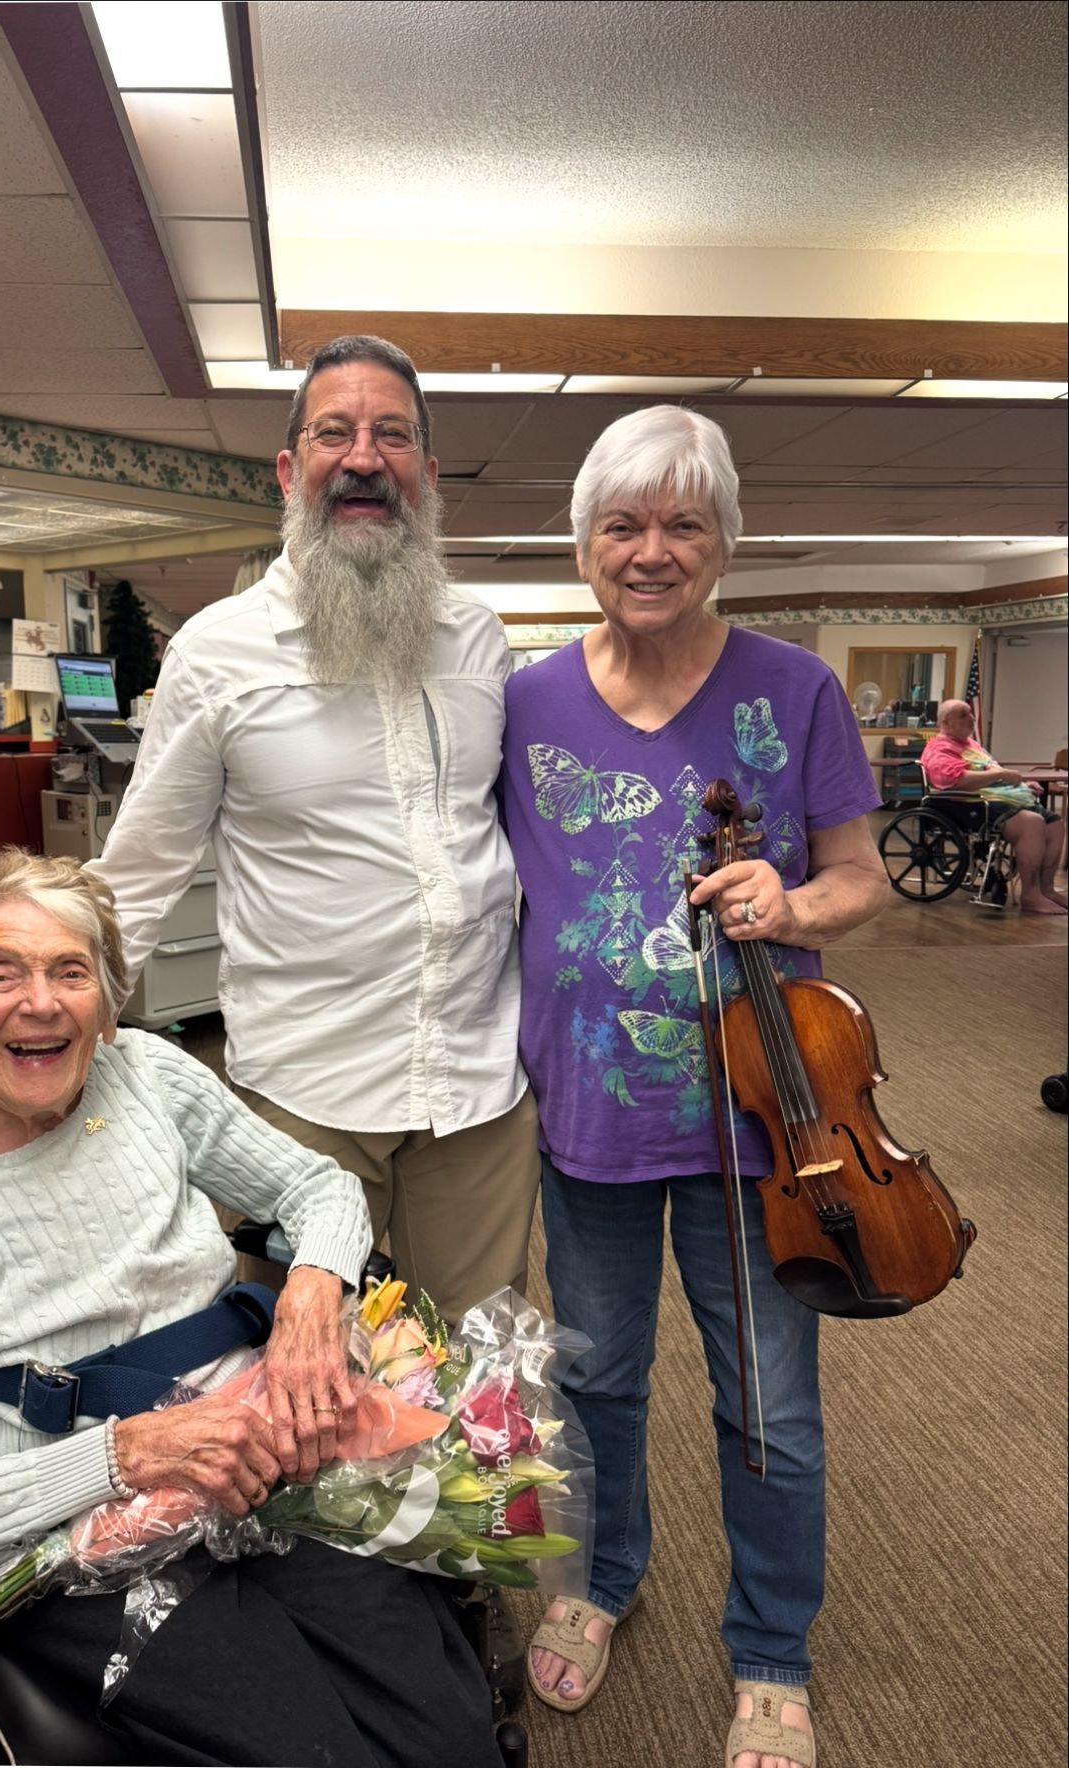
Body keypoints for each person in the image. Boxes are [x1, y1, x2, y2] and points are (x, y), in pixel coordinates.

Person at [0, 849, 503, 1767]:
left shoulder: (147, 1074)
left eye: (71, 972)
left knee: (453, 1736)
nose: (41, 1002)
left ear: (107, 1010)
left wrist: (311, 1296)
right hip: (73, 1540)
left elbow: (320, 1189)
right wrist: (128, 1454)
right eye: (3, 974)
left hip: (271, 1461)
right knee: (316, 1749)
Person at [499, 406, 891, 1768]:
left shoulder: (796, 690)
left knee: (766, 1399)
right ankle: (601, 1580)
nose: (651, 550)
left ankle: (771, 1649)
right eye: (624, 523)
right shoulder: (526, 700)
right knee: (595, 1379)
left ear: (725, 541)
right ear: (585, 541)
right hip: (588, 1118)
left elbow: (863, 877)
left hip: (765, 1125)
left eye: (682, 524)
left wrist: (794, 897)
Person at [88, 334, 540, 1323]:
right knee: (304, 1415)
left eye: (394, 435)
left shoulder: (477, 638)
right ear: (292, 470)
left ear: (424, 470)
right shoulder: (218, 653)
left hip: (476, 1092)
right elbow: (143, 872)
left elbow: (520, 838)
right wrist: (52, 1033)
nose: (365, 456)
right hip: (303, 1098)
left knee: (480, 1383)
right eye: (335, 432)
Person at [921, 698, 1065, 914]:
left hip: (1000, 799)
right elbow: (955, 780)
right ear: (946, 722)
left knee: (1055, 824)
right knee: (1032, 824)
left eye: (971, 713)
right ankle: (1030, 895)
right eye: (963, 715)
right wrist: (1001, 774)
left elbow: (991, 772)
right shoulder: (939, 748)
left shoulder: (972, 746)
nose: (971, 718)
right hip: (970, 803)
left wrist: (1023, 786)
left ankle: (1047, 889)